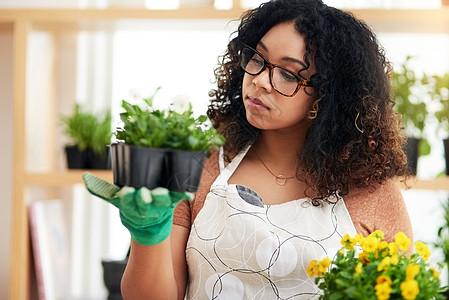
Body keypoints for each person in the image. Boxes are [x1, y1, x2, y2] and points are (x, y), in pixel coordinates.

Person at [84, 0, 413, 298]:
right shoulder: (204, 165)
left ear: (327, 97)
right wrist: (148, 235)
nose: (259, 80)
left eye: (287, 73)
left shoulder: (373, 193)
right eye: (257, 59)